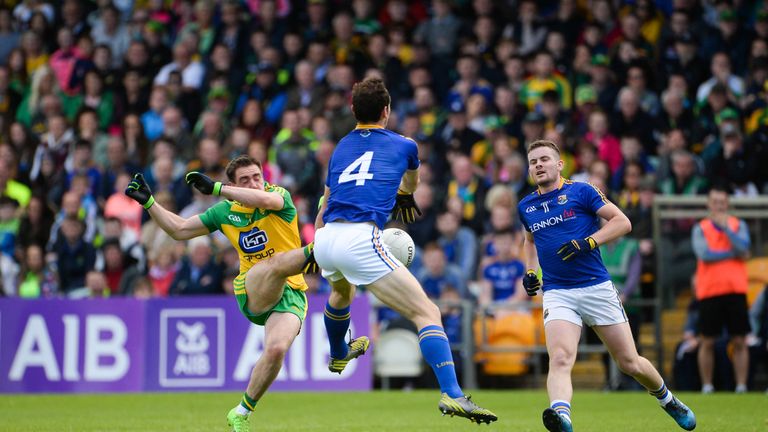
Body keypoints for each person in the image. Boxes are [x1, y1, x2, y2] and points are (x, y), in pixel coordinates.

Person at [311, 77, 496, 424]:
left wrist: (318, 242)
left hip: (326, 236)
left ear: (353, 110)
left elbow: (325, 200)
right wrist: (406, 195)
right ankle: (453, 395)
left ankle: (338, 353)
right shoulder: (406, 145)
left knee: (342, 291)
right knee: (427, 312)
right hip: (360, 237)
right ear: (387, 111)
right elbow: (411, 183)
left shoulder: (339, 146)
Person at [124, 155, 316, 432]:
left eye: (257, 177)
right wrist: (149, 203)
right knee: (274, 266)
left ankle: (241, 412)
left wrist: (215, 188)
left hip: (292, 293)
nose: (254, 184)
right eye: (245, 180)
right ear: (233, 185)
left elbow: (265, 201)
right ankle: (317, 251)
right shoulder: (224, 212)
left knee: (275, 350)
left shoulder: (279, 196)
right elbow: (178, 230)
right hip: (252, 288)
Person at [518, 140, 695, 432]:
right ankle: (562, 416)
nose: (538, 165)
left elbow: (622, 222)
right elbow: (529, 240)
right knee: (560, 358)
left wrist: (588, 242)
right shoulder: (526, 205)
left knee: (630, 362)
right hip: (558, 292)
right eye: (533, 161)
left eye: (544, 159)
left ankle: (667, 399)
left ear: (559, 164)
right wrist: (529, 271)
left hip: (595, 287)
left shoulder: (581, 191)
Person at [691, 185, 751, 394]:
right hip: (709, 291)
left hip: (735, 290)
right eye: (715, 202)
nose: (719, 206)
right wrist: (733, 254)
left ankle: (741, 385)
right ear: (709, 204)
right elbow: (704, 255)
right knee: (707, 341)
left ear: (727, 204)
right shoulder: (700, 228)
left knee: (739, 340)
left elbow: (744, 248)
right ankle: (707, 385)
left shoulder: (737, 225)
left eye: (722, 202)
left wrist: (726, 230)